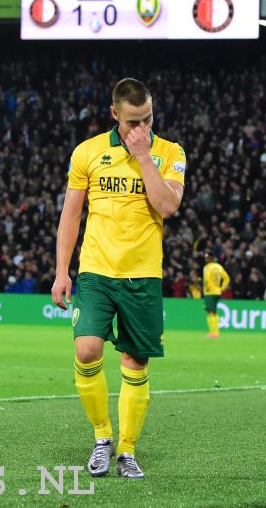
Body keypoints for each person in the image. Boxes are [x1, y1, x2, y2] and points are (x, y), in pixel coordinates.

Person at [51, 78, 186, 479]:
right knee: (87, 350)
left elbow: (167, 206)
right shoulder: (88, 152)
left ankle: (127, 449)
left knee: (135, 360)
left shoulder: (169, 152)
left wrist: (143, 156)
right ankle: (102, 438)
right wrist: (62, 271)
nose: (140, 128)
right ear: (114, 114)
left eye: (146, 119)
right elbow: (71, 215)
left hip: (143, 275)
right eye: (132, 122)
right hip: (96, 271)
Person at [202, 252, 230, 338]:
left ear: (210, 258)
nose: (206, 259)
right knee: (214, 311)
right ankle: (216, 332)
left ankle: (212, 332)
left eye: (207, 258)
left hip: (210, 292)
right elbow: (227, 278)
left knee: (210, 312)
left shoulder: (207, 267)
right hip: (218, 292)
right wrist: (222, 288)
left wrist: (208, 288)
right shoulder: (219, 267)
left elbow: (206, 279)